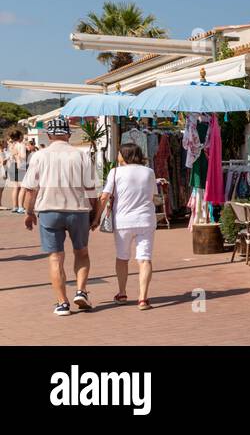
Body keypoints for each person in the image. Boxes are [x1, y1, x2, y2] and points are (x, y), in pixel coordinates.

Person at [20, 117, 99, 316]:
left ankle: (62, 303)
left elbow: (30, 190)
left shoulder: (39, 156)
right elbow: (91, 189)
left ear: (48, 135)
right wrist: (94, 213)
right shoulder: (80, 155)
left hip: (48, 210)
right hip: (78, 210)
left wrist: (29, 212)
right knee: (81, 252)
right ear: (68, 134)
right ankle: (81, 291)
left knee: (55, 258)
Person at [97, 143, 158, 310]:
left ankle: (122, 292)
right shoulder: (149, 172)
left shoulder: (115, 172)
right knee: (144, 259)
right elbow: (153, 195)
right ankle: (143, 298)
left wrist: (95, 218)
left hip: (123, 221)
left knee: (122, 258)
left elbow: (104, 197)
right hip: (146, 219)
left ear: (124, 155)